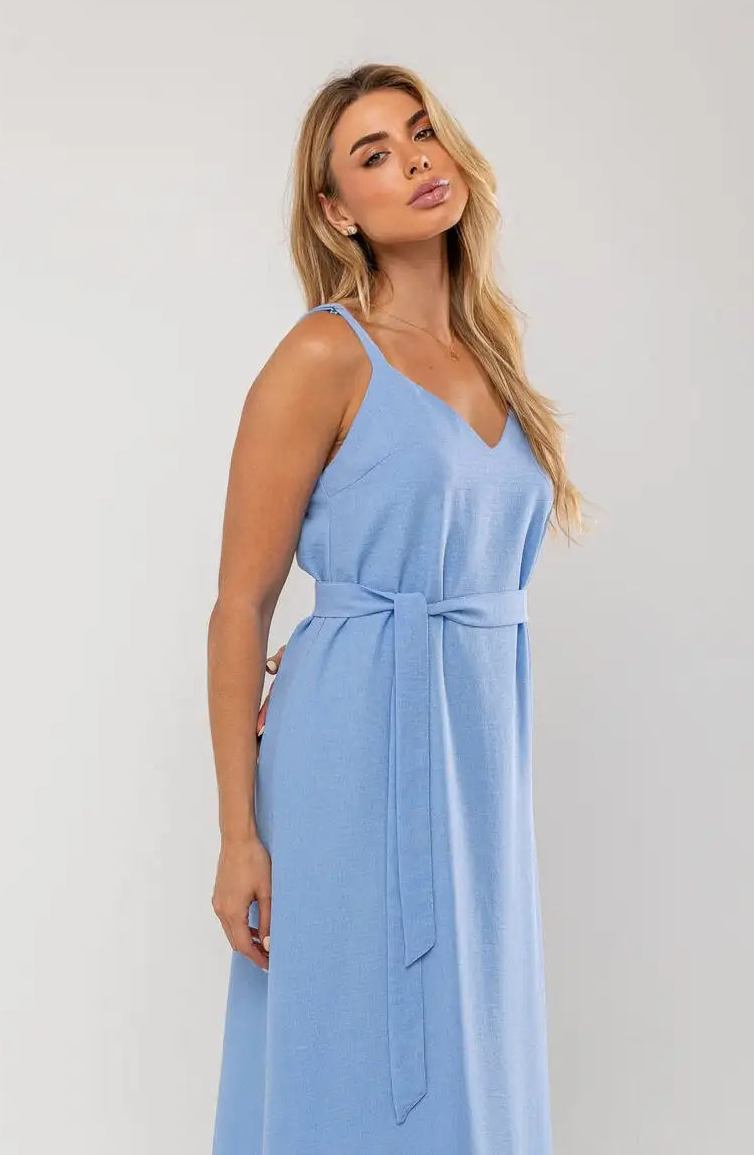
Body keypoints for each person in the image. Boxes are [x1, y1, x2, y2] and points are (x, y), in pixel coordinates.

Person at [206, 61, 583, 1154]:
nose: (416, 161)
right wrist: (237, 836)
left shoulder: (493, 360)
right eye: (374, 155)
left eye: (421, 133)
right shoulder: (325, 352)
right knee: (348, 1023)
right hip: (350, 744)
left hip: (478, 753)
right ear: (338, 212)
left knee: (472, 1029)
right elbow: (239, 605)